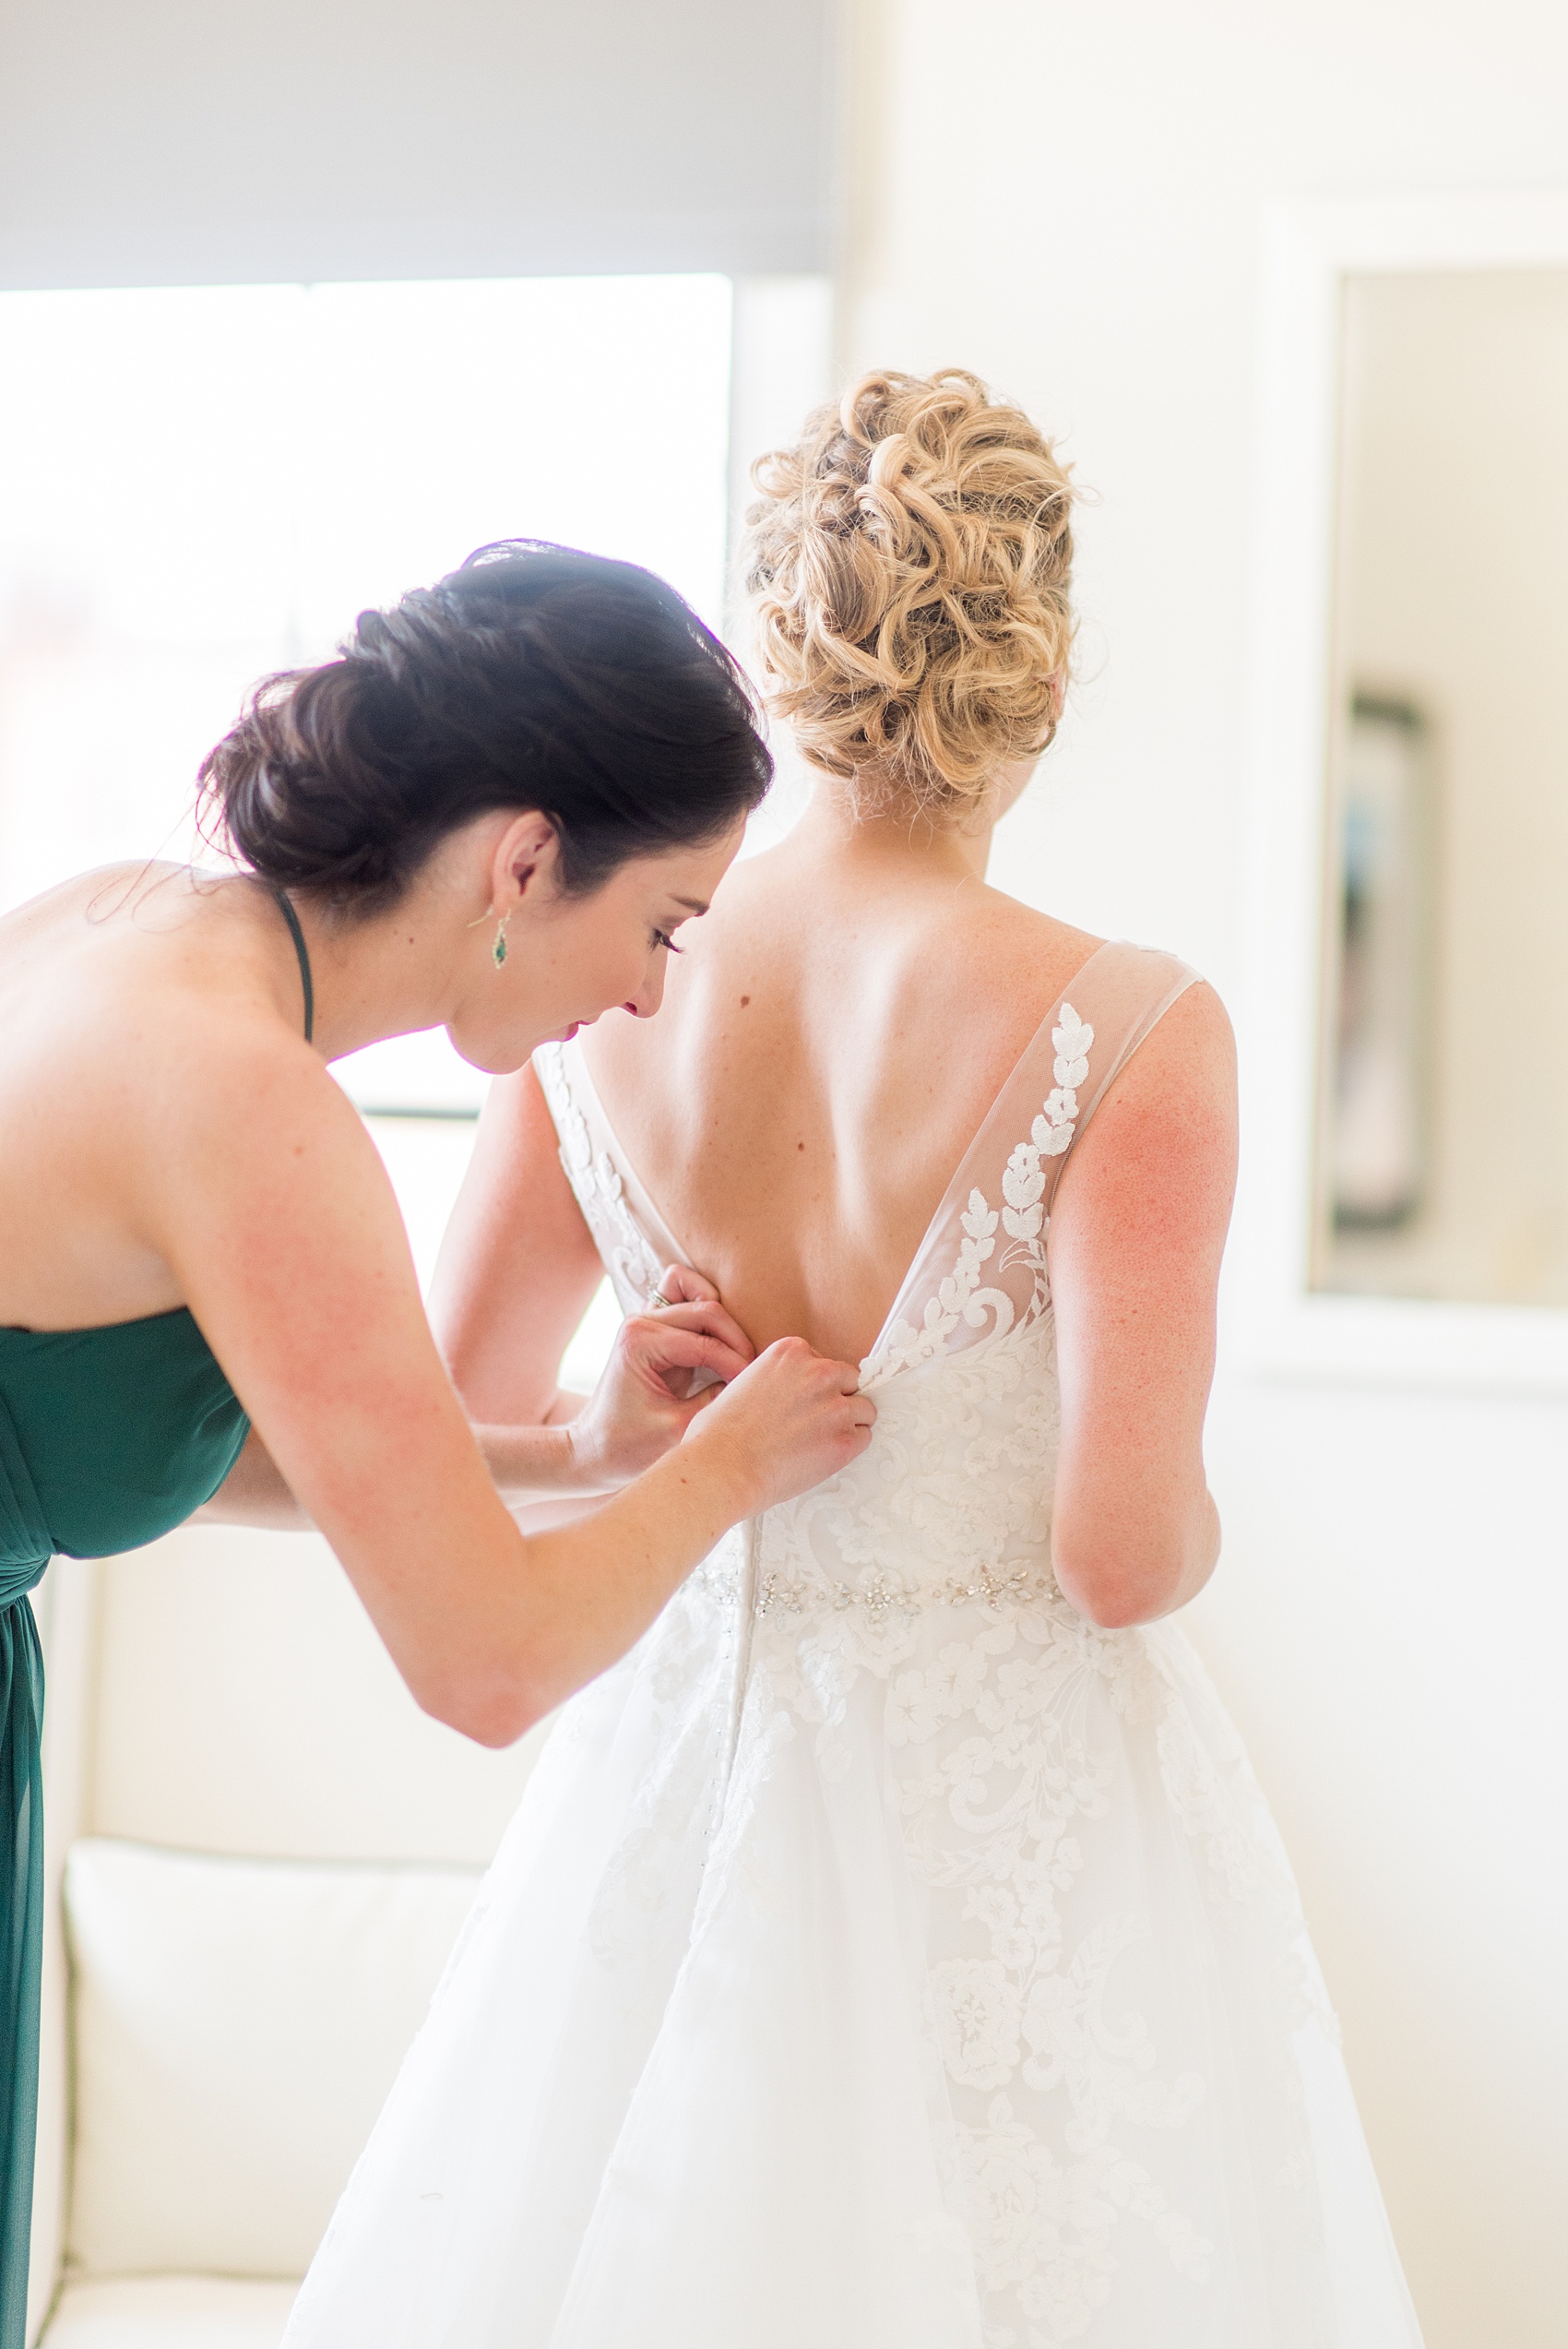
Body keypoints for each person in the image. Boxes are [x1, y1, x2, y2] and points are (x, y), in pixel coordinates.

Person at [282, 378, 1424, 2347]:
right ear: (1039, 669)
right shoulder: (1133, 1029)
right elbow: (1120, 1554)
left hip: (687, 1770)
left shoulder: (599, 973)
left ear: (786, 652)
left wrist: (632, 1432)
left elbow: (468, 1420)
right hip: (1022, 1830)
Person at [0, 542, 874, 2344]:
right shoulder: (254, 1105)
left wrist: (585, 1444)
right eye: (661, 927)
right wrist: (732, 1463)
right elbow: (486, 1661)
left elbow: (192, 1447)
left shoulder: (123, 919)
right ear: (526, 856)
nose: (646, 998)